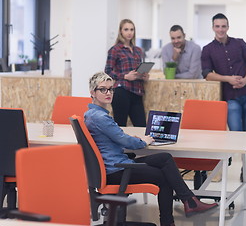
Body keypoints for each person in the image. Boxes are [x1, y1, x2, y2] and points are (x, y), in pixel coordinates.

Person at [84, 72, 218, 226]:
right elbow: (124, 141)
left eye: (111, 89)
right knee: (164, 177)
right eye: (103, 89)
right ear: (92, 92)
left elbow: (117, 137)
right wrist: (142, 141)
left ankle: (190, 201)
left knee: (165, 158)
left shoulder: (92, 114)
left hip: (114, 166)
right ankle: (172, 219)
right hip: (116, 171)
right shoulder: (100, 118)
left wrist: (131, 138)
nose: (108, 93)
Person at [201, 13, 246, 182]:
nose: (220, 29)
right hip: (230, 97)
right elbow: (206, 74)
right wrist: (228, 79)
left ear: (228, 27)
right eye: (217, 26)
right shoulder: (207, 50)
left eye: (223, 26)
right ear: (213, 27)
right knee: (237, 134)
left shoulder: (240, 43)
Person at [105, 19, 148, 127]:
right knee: (120, 126)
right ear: (121, 31)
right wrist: (125, 76)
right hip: (122, 91)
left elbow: (137, 69)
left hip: (137, 92)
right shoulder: (115, 50)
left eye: (132, 29)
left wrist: (143, 75)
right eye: (126, 29)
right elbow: (107, 71)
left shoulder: (138, 50)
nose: (129, 32)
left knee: (141, 127)